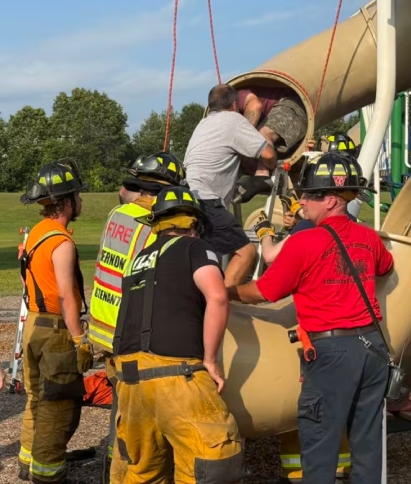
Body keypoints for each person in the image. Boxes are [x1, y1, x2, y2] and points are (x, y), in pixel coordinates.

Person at [227, 150, 394, 483]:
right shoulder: (368, 238)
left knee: (319, 446)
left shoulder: (304, 242)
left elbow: (265, 292)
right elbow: (385, 267)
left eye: (311, 195)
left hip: (331, 354)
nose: (302, 201)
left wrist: (228, 291)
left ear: (331, 200)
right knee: (368, 444)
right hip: (373, 348)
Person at [108, 186, 244, 483]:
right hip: (177, 376)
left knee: (142, 471)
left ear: (157, 224)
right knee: (209, 464)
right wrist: (210, 360)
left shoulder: (138, 260)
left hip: (130, 383)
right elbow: (218, 297)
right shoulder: (194, 248)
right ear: (194, 224)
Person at [88, 152, 186, 483]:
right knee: (132, 417)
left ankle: (115, 469)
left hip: (103, 325)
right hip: (126, 332)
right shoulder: (150, 227)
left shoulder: (118, 213)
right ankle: (122, 472)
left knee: (121, 408)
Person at [18, 159, 94, 484]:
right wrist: (79, 340)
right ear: (65, 202)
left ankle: (28, 460)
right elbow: (66, 296)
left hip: (34, 324)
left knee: (36, 398)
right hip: (55, 332)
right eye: (77, 194)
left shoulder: (36, 233)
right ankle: (48, 473)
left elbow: (26, 282)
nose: (81, 200)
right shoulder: (61, 242)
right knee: (58, 405)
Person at [183, 83, 278, 287]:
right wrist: (271, 165)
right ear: (235, 105)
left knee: (206, 258)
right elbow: (268, 154)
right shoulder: (234, 119)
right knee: (246, 253)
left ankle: (203, 303)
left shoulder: (203, 124)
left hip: (187, 196)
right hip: (207, 200)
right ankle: (221, 302)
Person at [237, 85, 310, 173]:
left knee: (261, 136)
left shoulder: (234, 95)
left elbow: (255, 106)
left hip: (292, 103)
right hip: (282, 136)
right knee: (246, 157)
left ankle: (262, 175)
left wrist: (241, 139)